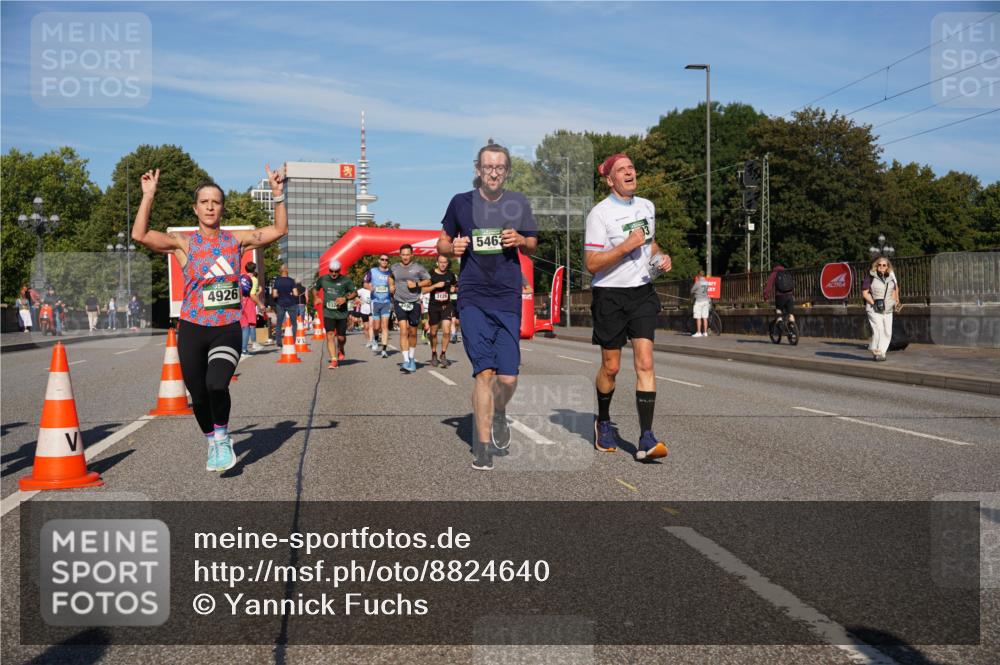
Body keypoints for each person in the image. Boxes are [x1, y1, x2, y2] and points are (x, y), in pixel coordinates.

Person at [132, 165, 287, 472]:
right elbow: (139, 234)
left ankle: (223, 435)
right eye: (204, 202)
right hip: (192, 328)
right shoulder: (182, 243)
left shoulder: (235, 241)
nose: (210, 206)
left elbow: (278, 230)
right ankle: (212, 440)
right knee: (199, 395)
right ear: (195, 208)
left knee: (217, 384)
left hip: (226, 328)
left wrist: (278, 195)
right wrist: (148, 196)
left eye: (215, 201)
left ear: (222, 208)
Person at [437, 140, 538, 470]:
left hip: (507, 297)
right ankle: (481, 447)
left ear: (506, 172)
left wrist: (521, 240)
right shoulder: (460, 203)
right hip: (473, 297)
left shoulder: (518, 202)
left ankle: (500, 414)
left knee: (507, 379)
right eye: (488, 167)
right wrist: (453, 247)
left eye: (500, 167)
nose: (493, 173)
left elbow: (533, 243)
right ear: (477, 170)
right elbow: (441, 241)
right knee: (485, 372)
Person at [584, 153, 671, 462]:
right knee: (612, 367)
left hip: (642, 294)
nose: (630, 172)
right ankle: (603, 420)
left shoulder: (647, 207)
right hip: (609, 296)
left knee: (645, 363)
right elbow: (592, 264)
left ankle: (646, 437)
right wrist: (624, 248)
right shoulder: (600, 214)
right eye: (622, 170)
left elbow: (650, 244)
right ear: (610, 180)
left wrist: (659, 259)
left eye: (632, 167)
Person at [389, 244, 432, 373]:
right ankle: (406, 360)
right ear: (400, 255)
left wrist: (416, 284)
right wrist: (391, 285)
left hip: (414, 302)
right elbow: (390, 277)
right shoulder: (395, 267)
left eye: (408, 254)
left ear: (411, 255)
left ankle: (412, 358)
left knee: (413, 332)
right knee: (403, 330)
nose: (405, 257)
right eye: (403, 254)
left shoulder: (418, 268)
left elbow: (429, 281)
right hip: (399, 301)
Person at [314, 259, 357, 369]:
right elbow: (315, 289)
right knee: (330, 335)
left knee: (341, 338)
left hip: (341, 313)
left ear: (339, 270)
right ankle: (334, 360)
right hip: (328, 312)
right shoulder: (323, 279)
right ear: (329, 270)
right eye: (331, 271)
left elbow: (354, 293)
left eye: (336, 271)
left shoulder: (345, 280)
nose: (333, 274)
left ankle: (341, 348)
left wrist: (345, 298)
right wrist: (317, 297)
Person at [862, 257, 900, 362]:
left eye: (884, 265)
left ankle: (881, 352)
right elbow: (865, 293)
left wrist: (895, 301)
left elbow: (894, 289)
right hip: (873, 308)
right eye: (880, 265)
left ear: (888, 267)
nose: (882, 267)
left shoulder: (890, 277)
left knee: (888, 332)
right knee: (879, 329)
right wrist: (874, 303)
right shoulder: (870, 276)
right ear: (876, 266)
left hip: (887, 309)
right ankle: (874, 348)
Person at [425, 254, 458, 367]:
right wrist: (435, 286)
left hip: (446, 306)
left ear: (447, 263)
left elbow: (455, 285)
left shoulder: (451, 275)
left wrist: (454, 288)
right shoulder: (430, 274)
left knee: (447, 331)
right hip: (434, 307)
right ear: (437, 262)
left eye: (445, 262)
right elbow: (423, 290)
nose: (443, 264)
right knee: (433, 333)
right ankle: (434, 353)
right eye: (441, 262)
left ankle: (443, 354)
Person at [239, 263, 263, 357]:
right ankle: (245, 350)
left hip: (240, 302)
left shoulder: (242, 277)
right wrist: (260, 304)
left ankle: (242, 349)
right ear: (254, 269)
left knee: (243, 326)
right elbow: (252, 295)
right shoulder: (254, 279)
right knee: (249, 326)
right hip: (249, 303)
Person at [271, 265, 298, 339]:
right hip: (291, 303)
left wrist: (278, 295)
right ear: (287, 271)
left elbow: (274, 295)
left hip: (280, 303)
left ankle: (279, 342)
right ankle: (294, 339)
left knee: (279, 324)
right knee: (294, 323)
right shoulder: (291, 280)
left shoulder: (277, 281)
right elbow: (296, 293)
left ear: (280, 271)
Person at [691, 270, 710, 337]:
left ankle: (699, 332)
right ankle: (705, 332)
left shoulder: (698, 283)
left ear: (699, 275)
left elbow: (692, 291)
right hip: (706, 301)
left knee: (698, 317)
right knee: (705, 317)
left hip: (699, 301)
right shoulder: (707, 283)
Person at [356, 284, 374, 348]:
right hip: (364, 311)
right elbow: (355, 295)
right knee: (366, 327)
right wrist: (359, 300)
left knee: (371, 325)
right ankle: (368, 340)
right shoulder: (362, 290)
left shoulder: (373, 289)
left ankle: (371, 340)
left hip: (372, 310)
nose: (369, 284)